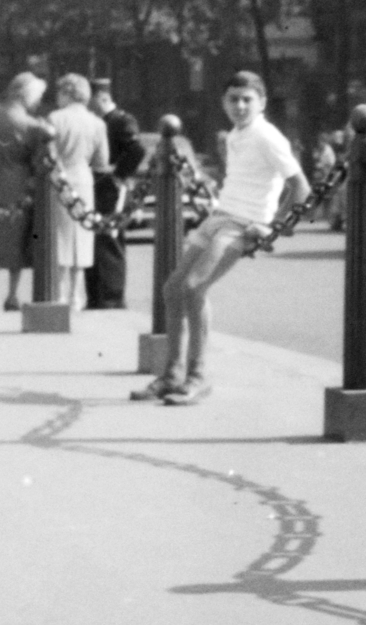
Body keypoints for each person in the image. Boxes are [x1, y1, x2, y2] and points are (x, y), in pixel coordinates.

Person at [131, 72, 308, 406]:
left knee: (194, 287)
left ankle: (197, 377)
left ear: (262, 102)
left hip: (243, 224)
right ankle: (171, 375)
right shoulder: (236, 135)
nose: (240, 106)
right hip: (219, 217)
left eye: (247, 100)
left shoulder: (267, 136)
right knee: (173, 288)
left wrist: (273, 228)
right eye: (233, 99)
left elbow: (301, 187)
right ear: (224, 102)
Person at [47, 74, 110, 311]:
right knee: (82, 238)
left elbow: (49, 154)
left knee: (60, 238)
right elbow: (102, 161)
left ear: (66, 93)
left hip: (59, 180)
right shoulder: (97, 123)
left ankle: (60, 293)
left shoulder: (55, 118)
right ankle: (76, 295)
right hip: (83, 180)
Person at [0, 73, 50, 310]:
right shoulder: (32, 126)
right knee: (17, 243)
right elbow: (39, 161)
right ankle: (12, 295)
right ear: (27, 96)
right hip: (18, 188)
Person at [84, 78, 146, 309]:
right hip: (98, 186)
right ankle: (96, 296)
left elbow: (137, 149)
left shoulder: (121, 120)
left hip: (111, 189)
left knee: (109, 241)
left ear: (101, 98)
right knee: (96, 241)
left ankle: (111, 297)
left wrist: (119, 174)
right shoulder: (101, 121)